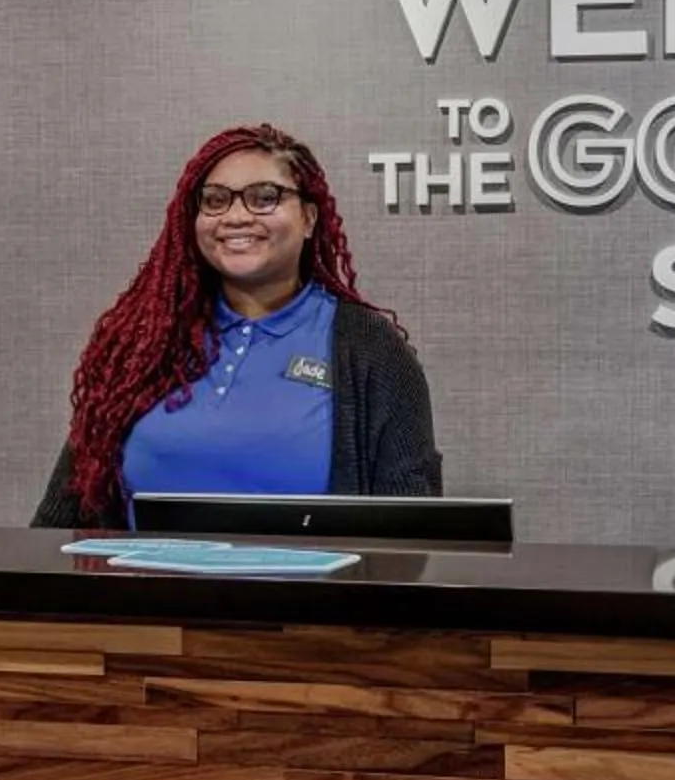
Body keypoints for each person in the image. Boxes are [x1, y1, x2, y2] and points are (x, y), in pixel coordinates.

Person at [33, 123, 441, 529]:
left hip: (311, 594)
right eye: (215, 200)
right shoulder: (142, 342)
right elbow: (56, 526)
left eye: (265, 198)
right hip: (140, 593)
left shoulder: (370, 349)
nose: (236, 216)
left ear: (310, 218)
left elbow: (412, 532)